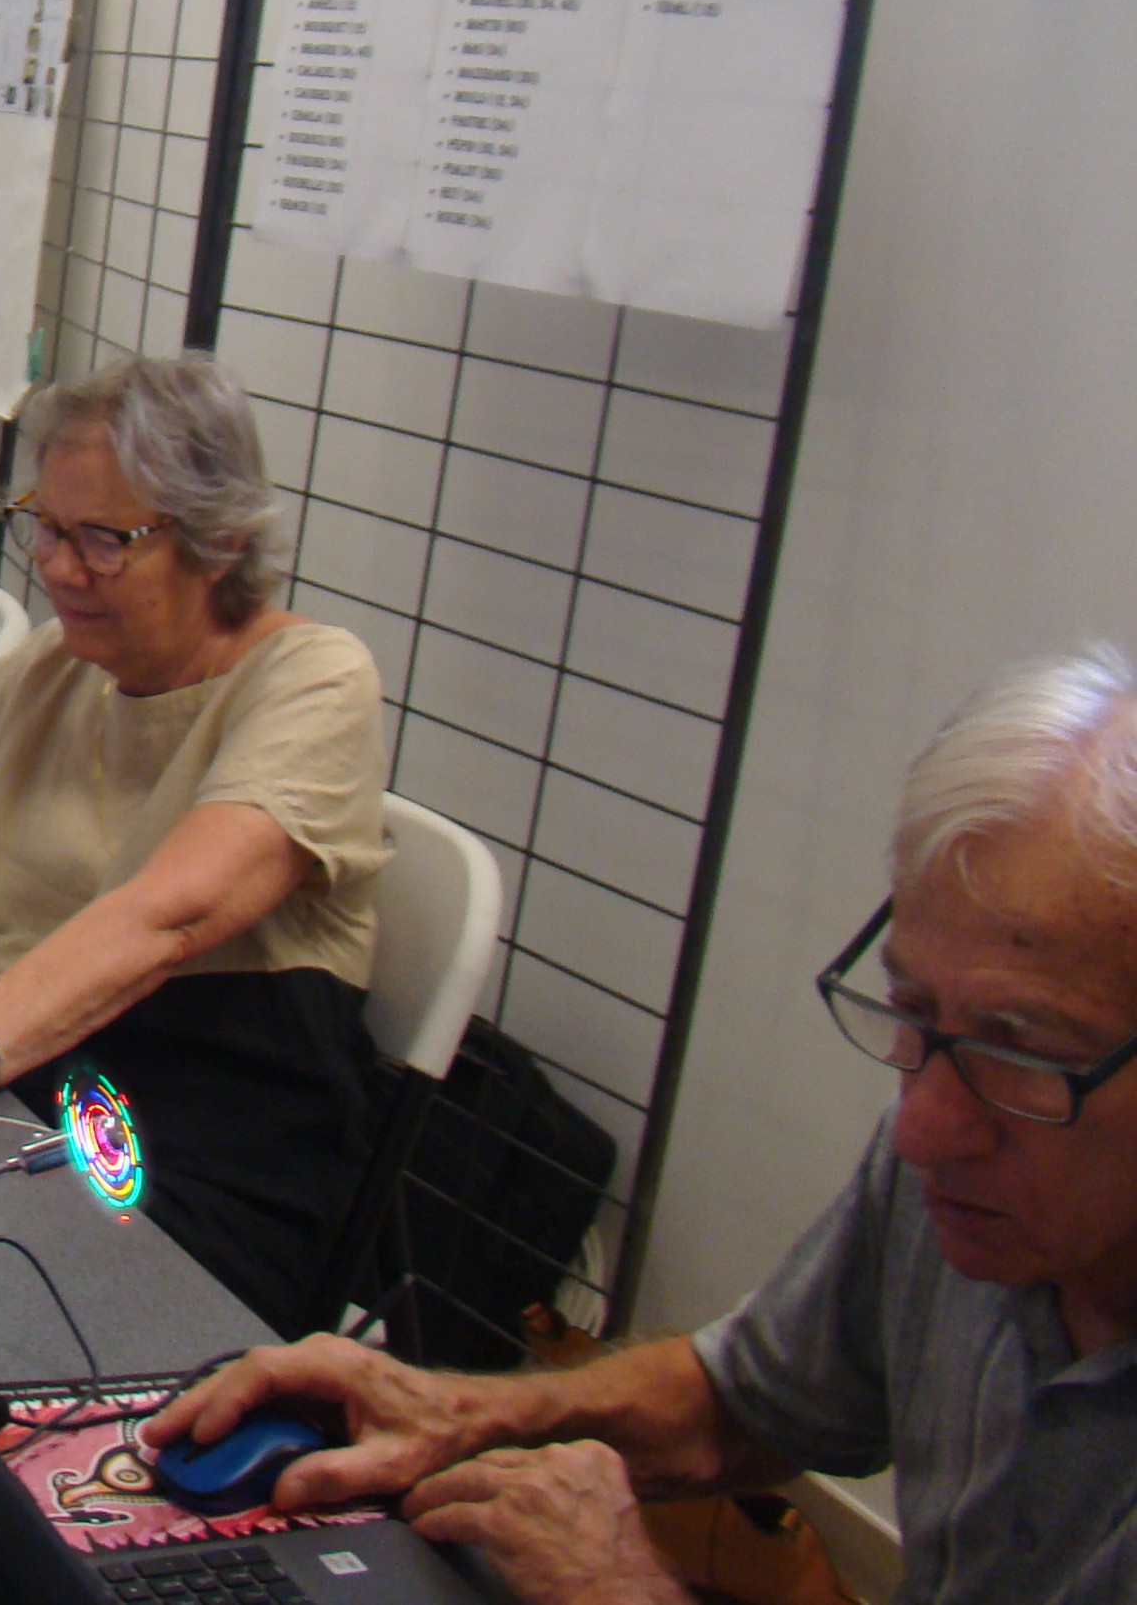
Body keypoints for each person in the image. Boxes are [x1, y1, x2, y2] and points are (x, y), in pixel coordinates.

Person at [144, 644, 1137, 1605]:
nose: (923, 1129)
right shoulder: (953, 1151)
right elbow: (743, 1402)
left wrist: (617, 1589)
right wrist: (457, 1413)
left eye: (1023, 1050)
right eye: (912, 1015)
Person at [0, 353, 389, 1335]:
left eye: (103, 540)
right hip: (35, 1098)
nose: (56, 568)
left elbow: (171, 914)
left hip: (199, 1148)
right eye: (45, 527)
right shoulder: (58, 666)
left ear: (219, 541)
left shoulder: (313, 681)